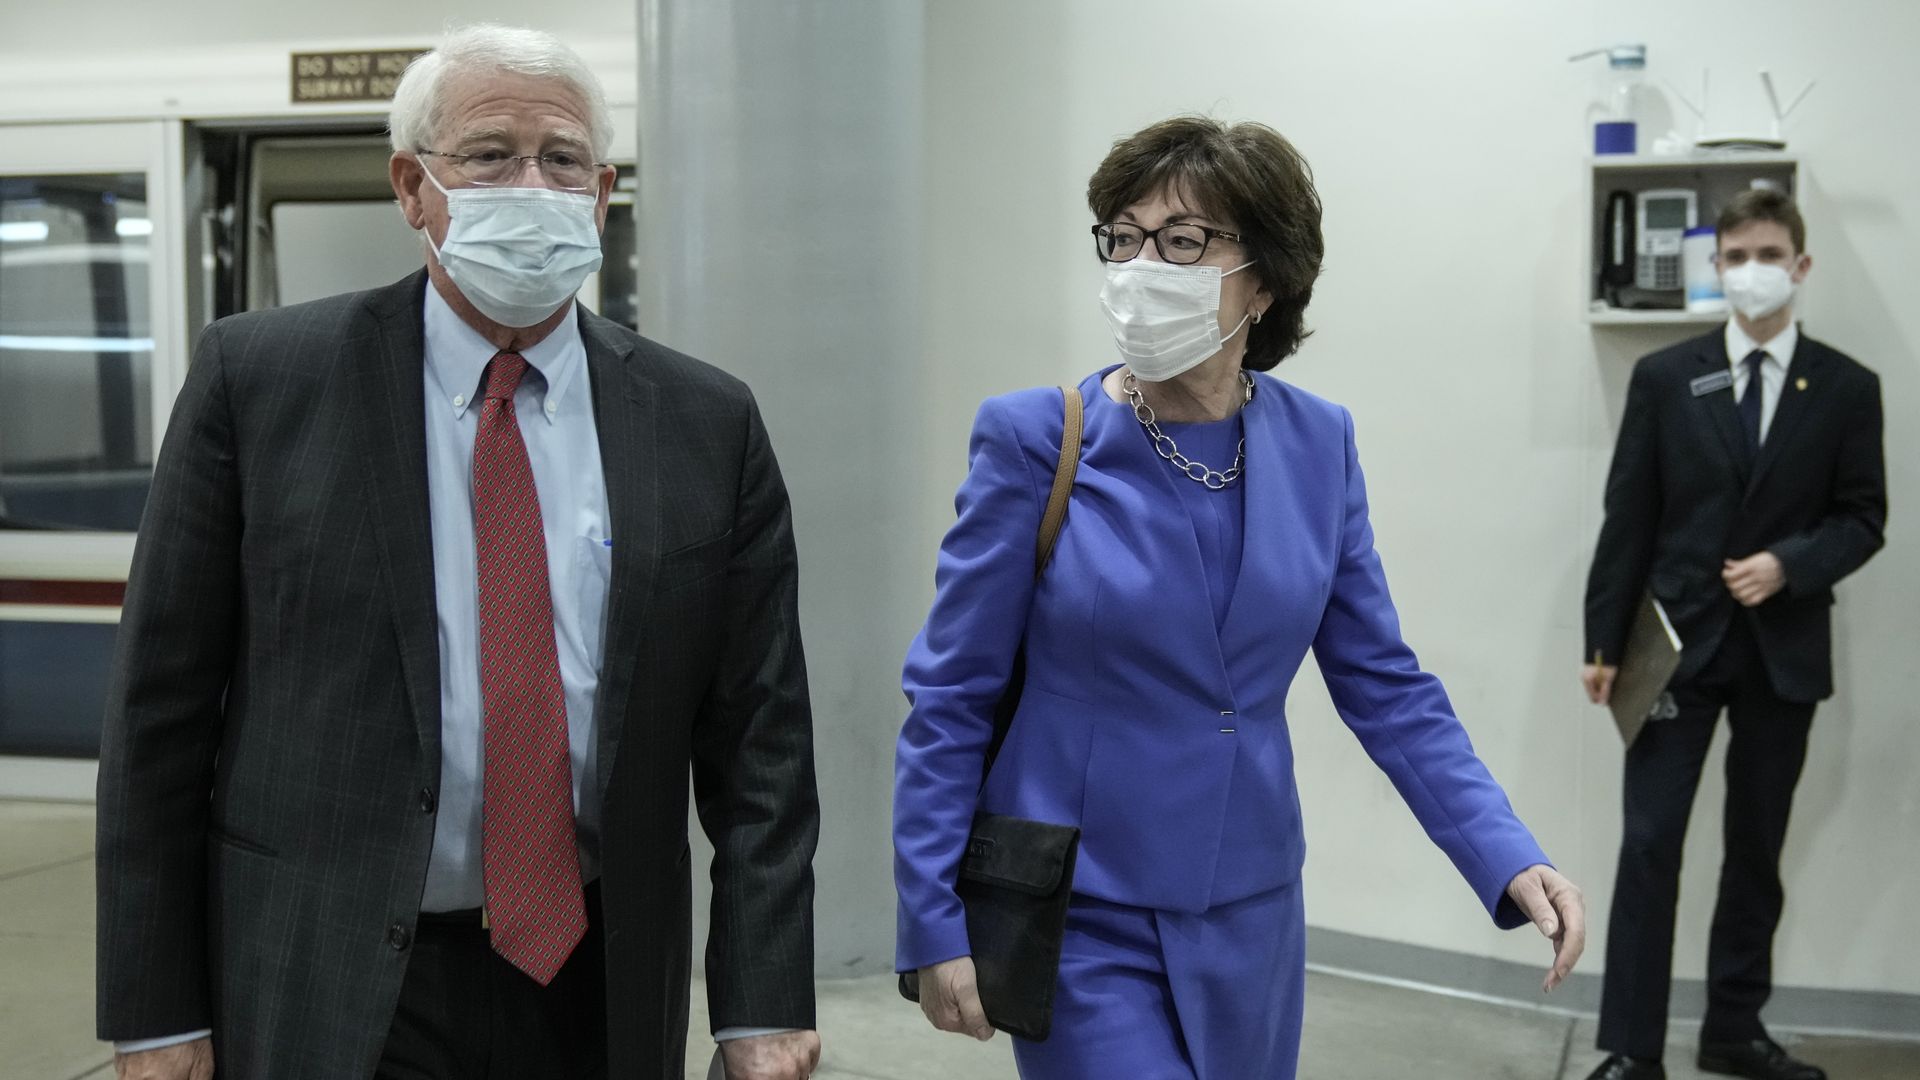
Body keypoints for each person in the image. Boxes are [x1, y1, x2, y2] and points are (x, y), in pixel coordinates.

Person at [94, 24, 821, 1080]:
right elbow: (159, 711)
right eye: (489, 154)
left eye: (562, 158)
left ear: (603, 189)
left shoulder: (705, 421)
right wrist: (155, 1011)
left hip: (598, 982)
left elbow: (763, 740)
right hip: (328, 975)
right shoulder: (261, 384)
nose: (531, 183)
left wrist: (761, 1002)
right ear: (412, 187)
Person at [892, 116, 1586, 1079]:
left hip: (1252, 909)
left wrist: (1504, 850)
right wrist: (930, 916)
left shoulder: (1319, 443)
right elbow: (951, 694)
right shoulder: (1036, 439)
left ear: (1262, 281)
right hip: (1080, 906)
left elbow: (1383, 683)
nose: (1142, 265)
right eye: (1124, 237)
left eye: (1182, 243)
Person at [1580, 190, 1886, 1080]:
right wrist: (1604, 642)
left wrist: (1790, 563)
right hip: (1675, 644)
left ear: (1801, 265)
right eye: (1738, 253)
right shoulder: (1667, 379)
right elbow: (1628, 516)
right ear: (1717, 267)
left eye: (1770, 252)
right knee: (1648, 846)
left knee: (1757, 850)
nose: (1753, 268)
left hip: (1782, 653)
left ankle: (1734, 1032)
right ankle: (1633, 1051)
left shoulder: (1845, 387)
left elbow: (1864, 518)